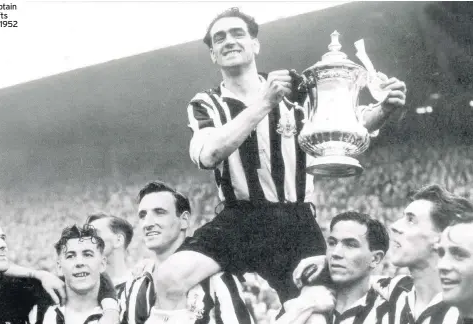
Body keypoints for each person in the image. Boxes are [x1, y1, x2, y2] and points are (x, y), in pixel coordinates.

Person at [148, 7, 408, 323]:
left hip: (294, 222)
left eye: (237, 33)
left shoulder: (296, 91)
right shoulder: (207, 102)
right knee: (168, 279)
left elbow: (346, 124)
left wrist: (384, 109)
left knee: (317, 310)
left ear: (255, 44)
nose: (229, 41)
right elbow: (207, 154)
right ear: (213, 54)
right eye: (219, 38)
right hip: (238, 219)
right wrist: (264, 103)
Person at [294, 184, 473, 324]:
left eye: (411, 220)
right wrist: (324, 262)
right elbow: (358, 278)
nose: (395, 226)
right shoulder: (395, 289)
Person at [0, 209, 119, 324]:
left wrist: (111, 310)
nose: (2, 244)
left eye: (2, 237)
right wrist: (36, 273)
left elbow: (89, 273)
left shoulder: (26, 288)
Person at [124, 181, 254, 324]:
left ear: (184, 220)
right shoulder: (135, 282)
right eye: (142, 215)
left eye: (159, 213)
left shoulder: (216, 278)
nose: (147, 223)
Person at [278, 211, 391, 324]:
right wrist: (308, 305)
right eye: (332, 243)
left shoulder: (390, 306)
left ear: (375, 259)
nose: (335, 253)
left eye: (350, 245)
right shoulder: (304, 301)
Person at [42, 224, 109, 324]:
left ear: (102, 264)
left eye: (87, 254)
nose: (79, 262)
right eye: (70, 256)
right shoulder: (40, 314)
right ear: (59, 267)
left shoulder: (122, 313)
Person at [87, 213, 135, 297]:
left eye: (94, 234)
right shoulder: (83, 287)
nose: (85, 241)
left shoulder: (142, 285)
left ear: (118, 240)